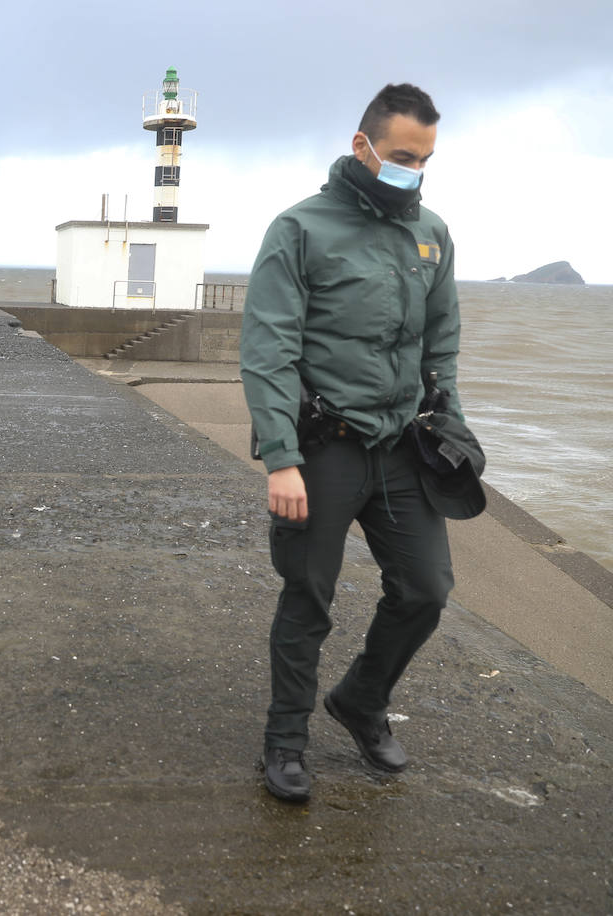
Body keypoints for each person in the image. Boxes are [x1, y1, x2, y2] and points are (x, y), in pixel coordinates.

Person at [240, 83, 463, 803]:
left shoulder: (432, 233)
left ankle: (362, 699)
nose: (413, 170)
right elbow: (268, 349)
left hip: (401, 445)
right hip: (324, 445)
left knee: (426, 589)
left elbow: (442, 340)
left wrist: (448, 421)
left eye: (424, 159)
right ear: (362, 145)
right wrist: (281, 457)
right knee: (308, 597)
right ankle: (285, 742)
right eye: (401, 156)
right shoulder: (299, 229)